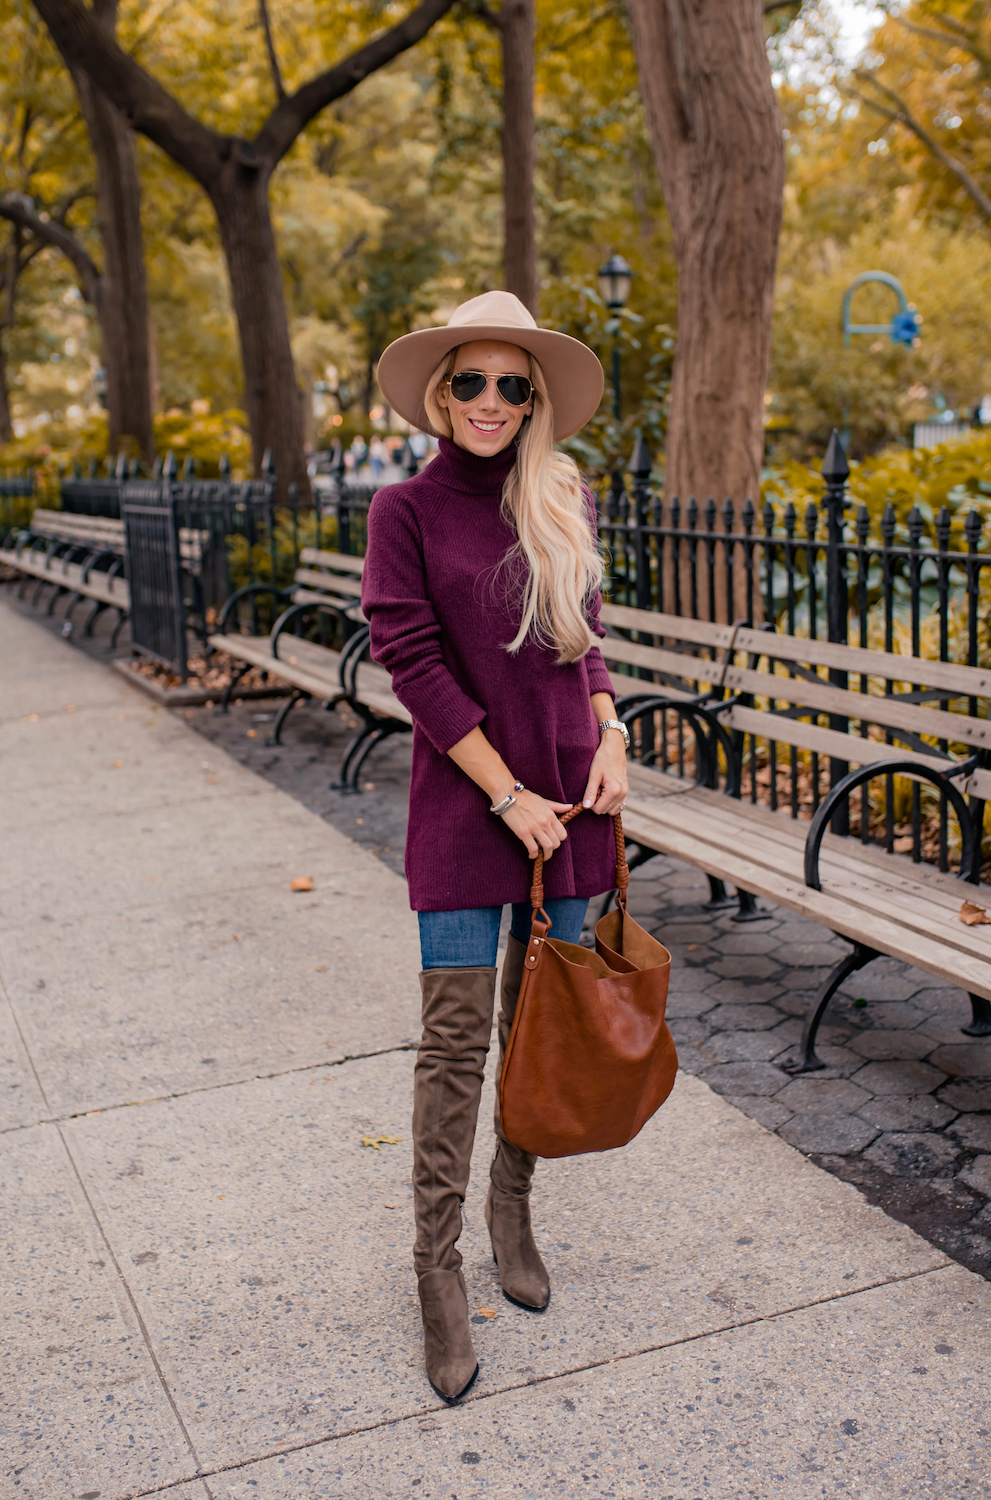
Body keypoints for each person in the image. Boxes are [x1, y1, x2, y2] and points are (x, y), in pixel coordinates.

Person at [363, 291, 630, 1403]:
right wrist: (506, 791)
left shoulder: (560, 495)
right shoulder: (405, 510)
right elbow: (412, 663)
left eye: (511, 385)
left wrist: (614, 730)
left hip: (572, 800)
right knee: (456, 1041)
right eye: (468, 381)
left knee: (540, 1032)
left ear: (536, 400)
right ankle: (436, 1271)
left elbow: (587, 643)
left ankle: (511, 1208)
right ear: (439, 392)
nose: (489, 401)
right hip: (473, 806)